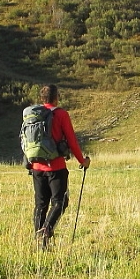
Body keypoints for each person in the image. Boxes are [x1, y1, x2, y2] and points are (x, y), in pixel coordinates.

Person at [29, 84, 90, 249]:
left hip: (36, 166)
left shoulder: (33, 115)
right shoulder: (61, 114)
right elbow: (71, 140)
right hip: (56, 167)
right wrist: (82, 160)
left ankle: (39, 243)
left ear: (42, 98)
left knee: (41, 204)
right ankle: (46, 231)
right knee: (60, 202)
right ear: (56, 97)